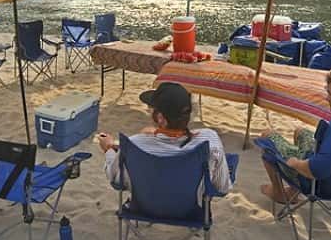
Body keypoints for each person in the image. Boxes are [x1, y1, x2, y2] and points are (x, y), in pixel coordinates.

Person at [260, 66, 331, 203]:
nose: (327, 98)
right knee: (301, 132)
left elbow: (318, 170)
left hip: (324, 185)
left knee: (267, 136)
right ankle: (292, 191)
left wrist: (296, 163)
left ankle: (279, 192)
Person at [97, 81, 231, 194]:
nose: (149, 111)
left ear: (160, 118)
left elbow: (115, 179)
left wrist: (108, 149)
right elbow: (222, 188)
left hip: (145, 208)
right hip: (190, 211)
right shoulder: (209, 140)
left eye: (151, 108)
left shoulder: (134, 145)